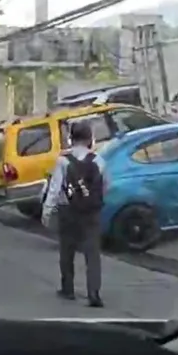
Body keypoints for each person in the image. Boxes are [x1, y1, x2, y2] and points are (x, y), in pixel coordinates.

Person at [41, 121, 105, 307]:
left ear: (71, 139)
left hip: (67, 210)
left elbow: (55, 188)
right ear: (90, 139)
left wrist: (47, 210)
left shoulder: (63, 161)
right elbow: (104, 186)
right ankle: (94, 292)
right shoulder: (99, 161)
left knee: (67, 250)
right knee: (92, 253)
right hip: (91, 212)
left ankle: (68, 288)